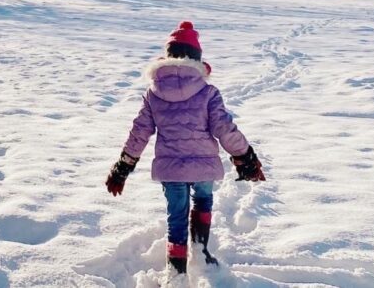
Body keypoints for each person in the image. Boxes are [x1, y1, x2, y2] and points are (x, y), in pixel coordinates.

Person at [105, 21, 265, 277]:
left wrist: (123, 166)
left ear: (168, 57)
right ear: (197, 58)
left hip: (171, 169)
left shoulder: (153, 93)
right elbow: (224, 129)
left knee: (176, 217)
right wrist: (245, 156)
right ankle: (200, 251)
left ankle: (176, 270)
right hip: (203, 166)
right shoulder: (208, 92)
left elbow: (139, 132)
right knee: (203, 201)